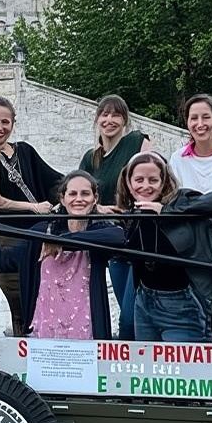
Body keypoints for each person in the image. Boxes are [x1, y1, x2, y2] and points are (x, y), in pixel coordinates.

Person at [0, 96, 64, 333]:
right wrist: (32, 207)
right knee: (20, 304)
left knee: (45, 297)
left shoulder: (25, 152)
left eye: (5, 122)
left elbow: (55, 181)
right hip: (6, 239)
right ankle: (23, 357)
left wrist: (82, 192)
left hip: (37, 235)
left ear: (12, 124)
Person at [117, 152, 212, 343]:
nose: (145, 186)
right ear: (129, 184)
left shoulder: (180, 200)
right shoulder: (132, 213)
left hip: (183, 302)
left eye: (153, 180)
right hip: (145, 300)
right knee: (150, 367)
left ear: (164, 182)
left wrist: (166, 212)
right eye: (139, 180)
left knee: (185, 369)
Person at [77, 95, 151, 339]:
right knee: (127, 314)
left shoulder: (136, 141)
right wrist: (100, 209)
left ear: (125, 120)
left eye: (116, 115)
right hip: (112, 243)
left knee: (130, 317)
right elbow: (79, 196)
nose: (109, 120)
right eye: (105, 115)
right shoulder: (91, 158)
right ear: (97, 119)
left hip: (139, 236)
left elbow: (154, 176)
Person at [19, 171, 119, 339]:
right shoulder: (44, 230)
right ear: (62, 199)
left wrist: (64, 242)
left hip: (89, 329)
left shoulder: (99, 229)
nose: (79, 199)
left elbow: (118, 236)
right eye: (72, 193)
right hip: (47, 328)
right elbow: (8, 260)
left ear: (95, 198)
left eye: (85, 193)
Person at [169, 94, 212, 193]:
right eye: (194, 118)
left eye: (206, 117)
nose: (200, 124)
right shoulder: (178, 159)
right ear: (187, 123)